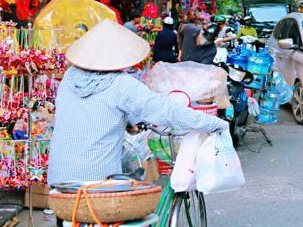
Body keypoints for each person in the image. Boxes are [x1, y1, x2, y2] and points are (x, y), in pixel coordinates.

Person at [48, 20, 228, 185]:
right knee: (143, 203)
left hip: (57, 182)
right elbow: (167, 111)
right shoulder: (121, 84)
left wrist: (127, 121)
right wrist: (214, 123)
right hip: (97, 185)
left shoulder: (69, 78)